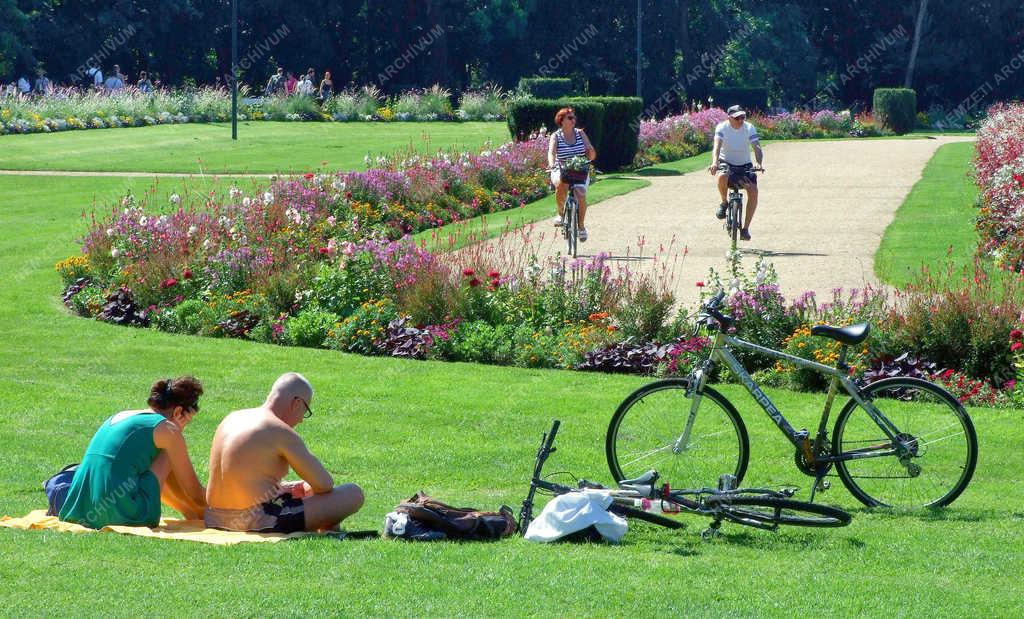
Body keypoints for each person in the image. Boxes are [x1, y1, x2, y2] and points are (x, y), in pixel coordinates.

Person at [205, 373, 364, 533]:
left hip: (214, 517)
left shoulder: (233, 417)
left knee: (305, 488)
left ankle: (327, 526)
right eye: (305, 410)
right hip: (256, 520)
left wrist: (284, 487)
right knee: (352, 493)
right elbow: (324, 484)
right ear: (296, 403)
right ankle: (329, 527)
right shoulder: (278, 429)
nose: (301, 420)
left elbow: (240, 476)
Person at [59, 377, 207, 528]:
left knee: (158, 452)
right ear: (177, 412)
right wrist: (225, 504)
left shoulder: (120, 416)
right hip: (122, 515)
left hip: (78, 511)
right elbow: (194, 492)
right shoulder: (168, 430)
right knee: (170, 449)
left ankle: (192, 512)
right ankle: (195, 513)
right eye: (187, 421)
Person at [707, 104, 764, 241]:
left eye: (743, 117)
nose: (740, 120)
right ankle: (724, 202)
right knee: (722, 175)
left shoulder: (749, 128)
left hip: (744, 165)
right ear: (729, 118)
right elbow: (717, 146)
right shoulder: (722, 127)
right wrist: (715, 162)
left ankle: (745, 229)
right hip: (726, 162)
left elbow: (756, 147)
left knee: (753, 191)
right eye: (737, 118)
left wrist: (759, 163)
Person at [548, 107, 597, 242]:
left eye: (574, 117)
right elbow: (551, 152)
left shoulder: (580, 134)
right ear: (561, 120)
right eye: (570, 118)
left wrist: (590, 152)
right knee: (561, 183)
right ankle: (560, 214)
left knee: (580, 194)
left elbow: (590, 151)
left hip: (580, 169)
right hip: (561, 167)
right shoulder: (556, 136)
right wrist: (552, 165)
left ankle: (581, 227)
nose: (573, 120)